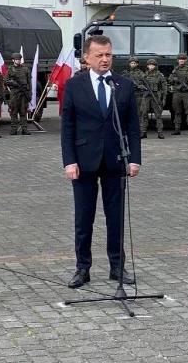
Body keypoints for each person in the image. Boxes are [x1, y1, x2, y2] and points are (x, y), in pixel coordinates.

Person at [60, 35, 142, 289]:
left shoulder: (123, 85)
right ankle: (82, 268)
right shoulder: (75, 85)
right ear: (86, 58)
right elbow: (68, 127)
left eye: (108, 54)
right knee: (84, 218)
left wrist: (135, 159)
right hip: (83, 161)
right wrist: (69, 161)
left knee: (115, 217)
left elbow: (133, 127)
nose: (105, 59)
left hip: (115, 160)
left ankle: (117, 267)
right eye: (99, 55)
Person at [169, 54, 188, 136]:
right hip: (177, 93)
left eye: (183, 59)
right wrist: (175, 79)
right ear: (178, 60)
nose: (181, 61)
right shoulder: (175, 70)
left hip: (187, 93)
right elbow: (170, 80)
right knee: (177, 111)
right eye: (180, 59)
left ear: (185, 60)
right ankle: (177, 129)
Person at [6, 51, 31, 135]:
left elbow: (29, 82)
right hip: (14, 93)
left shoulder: (25, 69)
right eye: (16, 59)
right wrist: (13, 83)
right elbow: (6, 81)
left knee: (23, 111)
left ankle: (24, 129)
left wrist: (29, 93)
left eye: (19, 59)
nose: (18, 61)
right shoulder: (10, 69)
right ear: (13, 60)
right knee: (13, 111)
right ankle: (14, 129)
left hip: (23, 93)